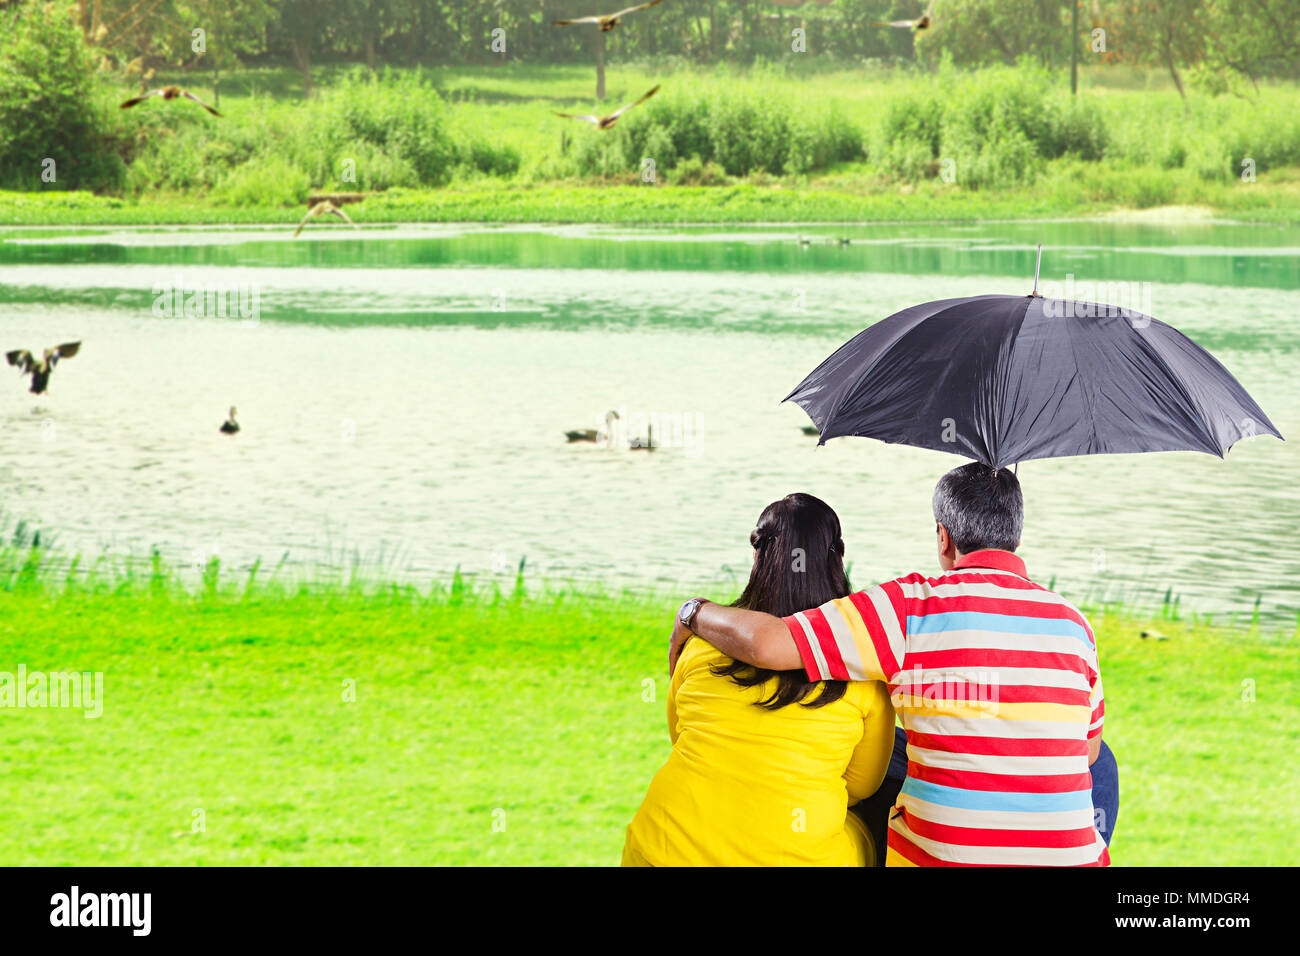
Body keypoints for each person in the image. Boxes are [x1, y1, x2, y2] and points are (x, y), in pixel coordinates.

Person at [669, 463, 1111, 867]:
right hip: (1074, 860)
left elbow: (769, 643)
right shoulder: (1075, 624)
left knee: (882, 749)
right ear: (1017, 535)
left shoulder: (908, 605)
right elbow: (1086, 752)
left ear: (944, 537)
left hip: (939, 859)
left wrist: (693, 612)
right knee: (1101, 758)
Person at [622, 493, 896, 866]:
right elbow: (862, 786)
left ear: (757, 558)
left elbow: (679, 735)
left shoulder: (699, 644)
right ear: (837, 562)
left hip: (659, 849)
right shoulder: (861, 672)